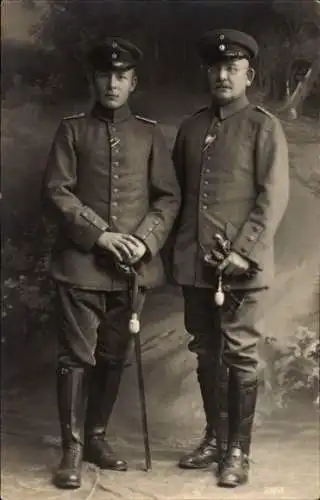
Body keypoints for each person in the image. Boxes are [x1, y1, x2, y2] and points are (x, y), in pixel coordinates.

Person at [42, 37, 180, 490]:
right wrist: (99, 233)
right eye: (105, 74)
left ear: (134, 82)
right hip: (81, 265)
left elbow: (167, 196)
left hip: (130, 271)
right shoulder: (72, 130)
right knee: (76, 358)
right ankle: (72, 450)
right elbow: (57, 191)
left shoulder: (148, 133)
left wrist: (144, 241)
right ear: (93, 78)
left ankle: (98, 436)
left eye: (122, 76)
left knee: (113, 357)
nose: (113, 83)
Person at [171, 29, 289, 487]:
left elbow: (273, 196)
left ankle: (238, 451)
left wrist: (243, 251)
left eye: (232, 68)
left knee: (239, 356)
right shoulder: (192, 127)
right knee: (205, 352)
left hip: (243, 267)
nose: (223, 75)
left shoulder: (264, 126)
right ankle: (215, 437)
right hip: (196, 265)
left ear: (248, 75)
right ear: (208, 72)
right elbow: (178, 195)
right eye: (216, 68)